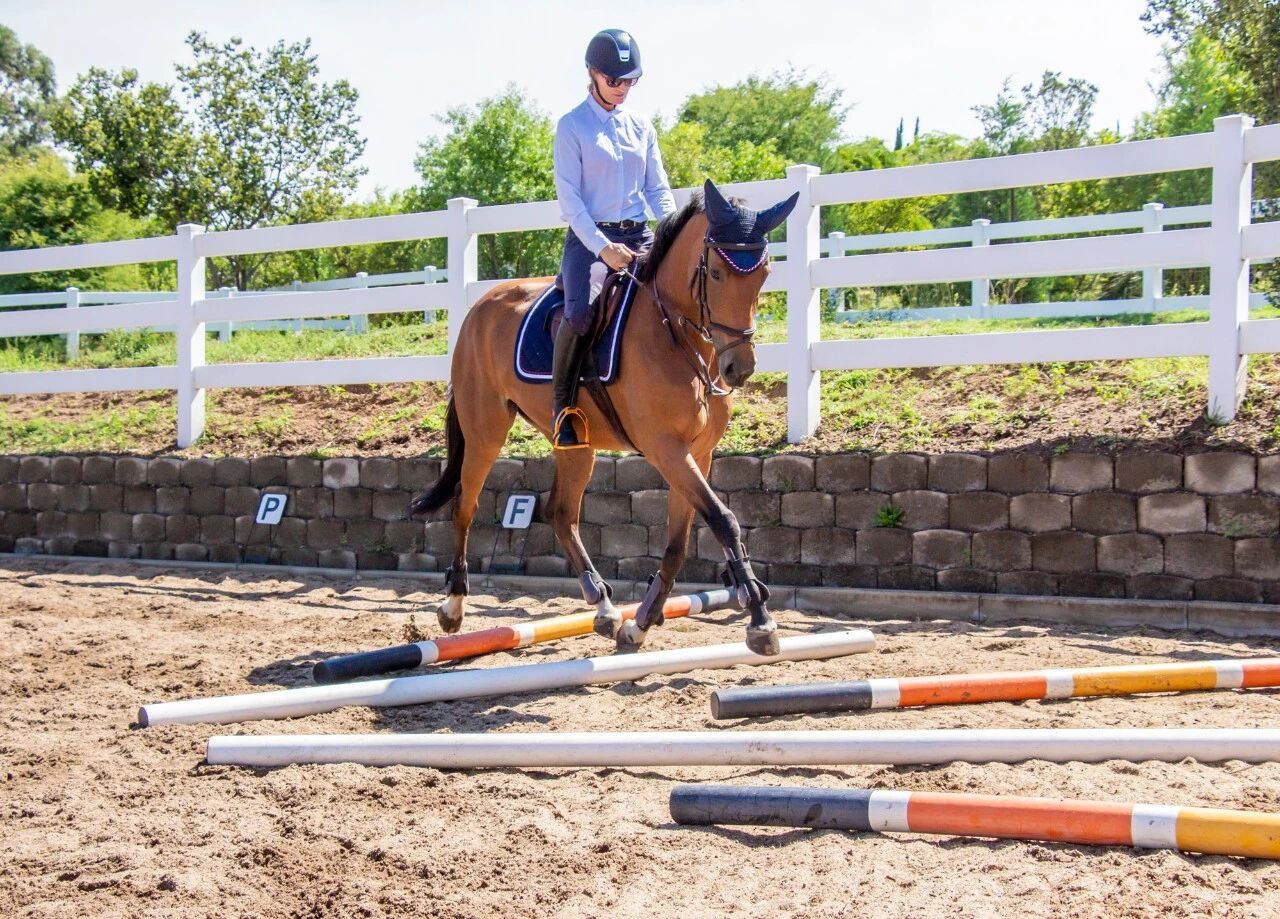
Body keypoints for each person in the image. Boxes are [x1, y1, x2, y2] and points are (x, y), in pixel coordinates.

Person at [550, 28, 677, 448]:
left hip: (638, 233)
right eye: (614, 81)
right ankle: (562, 409)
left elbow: (657, 189)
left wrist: (672, 229)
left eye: (630, 81)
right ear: (593, 73)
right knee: (581, 314)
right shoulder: (572, 127)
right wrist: (604, 248)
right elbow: (570, 202)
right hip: (591, 240)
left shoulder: (641, 126)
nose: (623, 88)